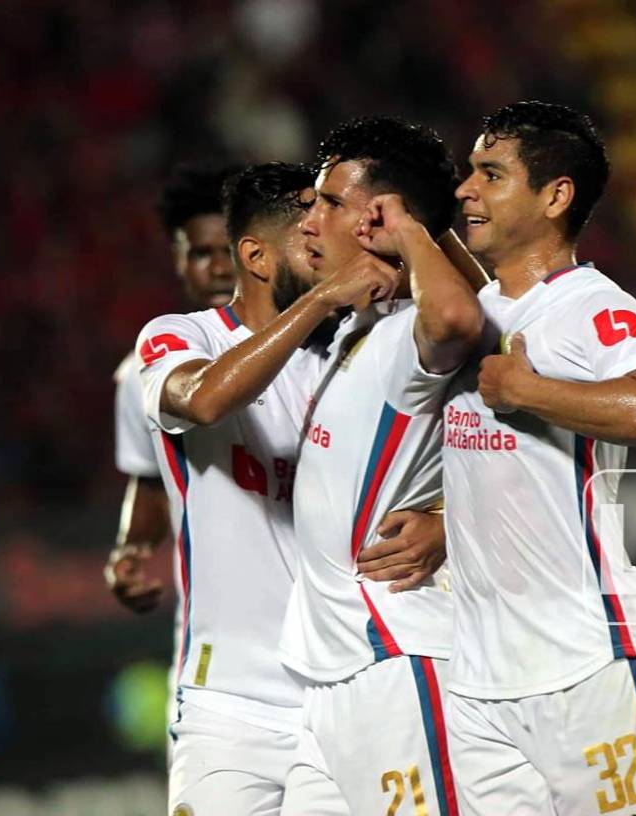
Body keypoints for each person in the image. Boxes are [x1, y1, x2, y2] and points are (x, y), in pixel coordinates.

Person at [139, 161, 442, 816]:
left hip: (346, 688)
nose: (327, 250)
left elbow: (450, 450)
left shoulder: (350, 354)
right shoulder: (181, 337)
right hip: (230, 707)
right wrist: (321, 301)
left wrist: (445, 520)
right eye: (308, 242)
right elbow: (205, 399)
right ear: (253, 255)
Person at [441, 101, 636, 815]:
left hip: (589, 661)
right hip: (481, 682)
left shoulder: (589, 306)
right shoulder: (471, 317)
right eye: (469, 171)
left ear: (556, 196)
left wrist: (530, 389)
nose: (466, 189)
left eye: (491, 173)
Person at [275, 117, 485, 816]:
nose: (310, 216)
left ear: (377, 221)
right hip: (328, 677)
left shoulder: (407, 338)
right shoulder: (356, 330)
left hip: (397, 657)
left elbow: (459, 319)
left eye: (330, 202)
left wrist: (414, 231)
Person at [107, 161, 239, 617]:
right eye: (202, 254)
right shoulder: (144, 369)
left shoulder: (318, 346)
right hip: (214, 627)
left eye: (231, 249)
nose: (220, 268)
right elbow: (149, 480)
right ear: (178, 260)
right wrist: (131, 550)